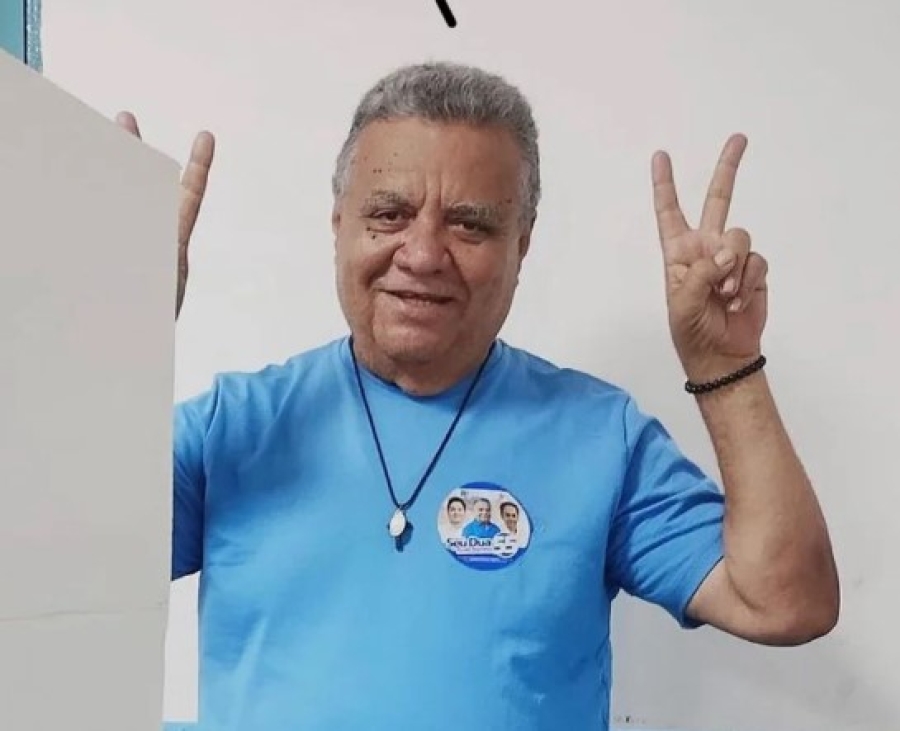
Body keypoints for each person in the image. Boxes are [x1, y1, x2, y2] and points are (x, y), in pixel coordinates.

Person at [118, 61, 839, 731]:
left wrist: (725, 364)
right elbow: (57, 561)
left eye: (470, 224)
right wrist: (98, 347)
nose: (423, 253)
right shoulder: (233, 429)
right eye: (389, 214)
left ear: (522, 244)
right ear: (339, 226)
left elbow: (785, 601)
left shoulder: (601, 437)